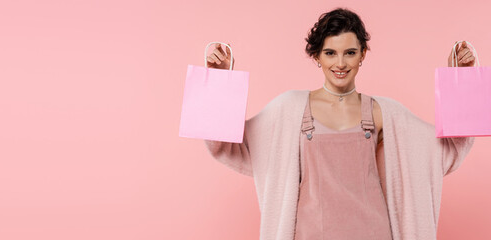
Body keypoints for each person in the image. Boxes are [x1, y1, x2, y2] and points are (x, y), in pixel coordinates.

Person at [203, 8, 476, 240]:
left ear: (362, 55)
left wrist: (462, 78)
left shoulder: (382, 112)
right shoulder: (289, 109)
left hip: (373, 232)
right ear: (317, 57)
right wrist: (218, 80)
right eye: (330, 53)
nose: (341, 63)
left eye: (350, 52)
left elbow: (446, 149)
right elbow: (226, 143)